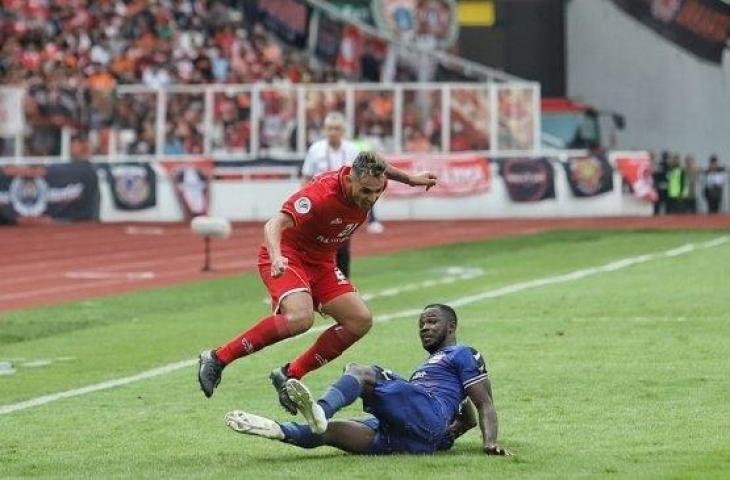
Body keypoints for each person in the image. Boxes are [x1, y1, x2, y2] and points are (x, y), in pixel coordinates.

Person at [198, 152, 438, 415]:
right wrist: (277, 257)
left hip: (322, 262)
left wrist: (411, 179)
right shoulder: (319, 195)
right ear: (349, 179)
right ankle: (218, 358)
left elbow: (384, 169)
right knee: (300, 319)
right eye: (366, 191)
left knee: (360, 320)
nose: (371, 198)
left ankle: (289, 374)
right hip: (289, 255)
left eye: (377, 192)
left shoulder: (374, 178)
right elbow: (274, 224)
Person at [224, 304, 510, 456]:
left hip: (427, 416)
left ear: (452, 326)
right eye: (421, 323)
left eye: (432, 321)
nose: (424, 327)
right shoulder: (431, 368)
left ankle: (321, 408)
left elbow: (484, 403)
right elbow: (468, 417)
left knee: (361, 372)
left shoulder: (463, 353)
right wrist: (447, 434)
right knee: (329, 432)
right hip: (417, 438)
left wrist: (490, 442)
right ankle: (279, 430)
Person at [301, 112, 360, 278]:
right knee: (315, 245)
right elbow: (306, 177)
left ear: (343, 131)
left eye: (336, 129)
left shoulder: (352, 150)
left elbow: (359, 178)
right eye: (329, 128)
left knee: (342, 247)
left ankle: (344, 285)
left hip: (343, 205)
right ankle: (312, 281)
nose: (332, 132)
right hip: (319, 204)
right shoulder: (316, 149)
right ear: (324, 130)